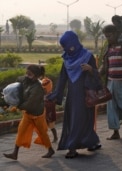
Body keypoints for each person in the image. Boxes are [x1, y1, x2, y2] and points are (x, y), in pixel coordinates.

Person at [47, 31, 101, 159]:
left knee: (85, 120)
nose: (64, 48)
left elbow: (97, 75)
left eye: (66, 45)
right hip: (73, 96)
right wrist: (56, 95)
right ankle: (81, 145)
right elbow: (62, 78)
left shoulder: (87, 56)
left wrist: (90, 69)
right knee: (74, 120)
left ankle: (80, 145)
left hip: (86, 94)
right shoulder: (66, 58)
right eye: (63, 46)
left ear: (73, 43)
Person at [3, 64, 55, 160]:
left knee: (42, 133)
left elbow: (30, 104)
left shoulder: (37, 89)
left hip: (37, 114)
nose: (27, 75)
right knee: (21, 131)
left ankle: (50, 149)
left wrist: (18, 106)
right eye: (26, 73)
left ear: (35, 76)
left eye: (29, 74)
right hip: (28, 114)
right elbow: (19, 80)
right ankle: (15, 153)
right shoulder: (27, 81)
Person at [39, 66, 58, 143]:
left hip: (48, 102)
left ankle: (55, 137)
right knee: (43, 122)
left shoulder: (46, 81)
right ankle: (44, 138)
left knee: (50, 122)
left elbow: (44, 91)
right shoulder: (41, 81)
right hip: (43, 102)